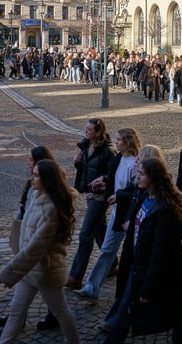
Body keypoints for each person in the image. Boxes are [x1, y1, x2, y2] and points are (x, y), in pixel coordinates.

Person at [104, 151, 182, 344]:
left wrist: (147, 288)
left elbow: (160, 254)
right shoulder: (145, 195)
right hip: (139, 264)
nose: (138, 176)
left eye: (142, 173)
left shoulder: (164, 210)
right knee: (167, 314)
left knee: (169, 314)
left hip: (152, 271)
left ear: (154, 177)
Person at [0, 160, 79, 344]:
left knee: (60, 311)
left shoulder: (51, 209)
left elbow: (36, 247)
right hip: (30, 270)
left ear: (47, 179)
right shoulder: (35, 195)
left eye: (36, 175)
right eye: (32, 174)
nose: (31, 178)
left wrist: (11, 271)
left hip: (46, 272)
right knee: (16, 311)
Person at [0, 146, 59, 330]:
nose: (27, 162)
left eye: (30, 159)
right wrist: (15, 231)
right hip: (28, 240)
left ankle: (53, 318)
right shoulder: (34, 183)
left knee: (51, 290)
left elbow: (37, 217)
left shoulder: (46, 191)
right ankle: (19, 319)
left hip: (36, 247)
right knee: (39, 288)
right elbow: (24, 210)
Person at [75, 128, 142, 302]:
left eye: (119, 139)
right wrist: (103, 181)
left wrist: (118, 196)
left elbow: (136, 191)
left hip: (132, 215)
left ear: (128, 142)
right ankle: (91, 288)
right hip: (118, 212)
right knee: (107, 249)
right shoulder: (119, 158)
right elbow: (113, 178)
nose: (116, 142)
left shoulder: (136, 163)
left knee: (139, 255)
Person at [68, 118, 114, 289]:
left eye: (89, 129)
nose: (85, 131)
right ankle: (113, 265)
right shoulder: (86, 146)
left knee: (86, 234)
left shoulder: (108, 151)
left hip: (100, 196)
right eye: (85, 128)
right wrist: (78, 164)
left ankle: (76, 276)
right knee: (99, 229)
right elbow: (87, 168)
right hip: (89, 192)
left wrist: (103, 179)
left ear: (98, 131)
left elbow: (112, 173)